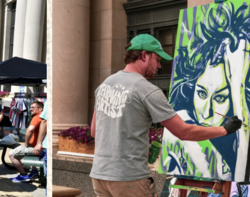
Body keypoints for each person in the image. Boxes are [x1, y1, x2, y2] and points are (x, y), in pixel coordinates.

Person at [88, 34, 240, 196]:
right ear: (144, 55)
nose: (160, 66)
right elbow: (184, 132)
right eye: (158, 59)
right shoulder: (146, 89)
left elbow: (94, 131)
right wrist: (224, 130)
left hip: (99, 176)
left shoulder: (105, 84)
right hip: (128, 179)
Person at [8, 101, 45, 182]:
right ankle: (34, 171)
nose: (31, 109)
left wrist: (25, 143)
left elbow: (30, 130)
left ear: (40, 109)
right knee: (26, 149)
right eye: (30, 107)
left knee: (11, 154)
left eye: (33, 107)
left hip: (39, 149)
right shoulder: (44, 117)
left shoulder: (37, 117)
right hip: (41, 148)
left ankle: (23, 175)